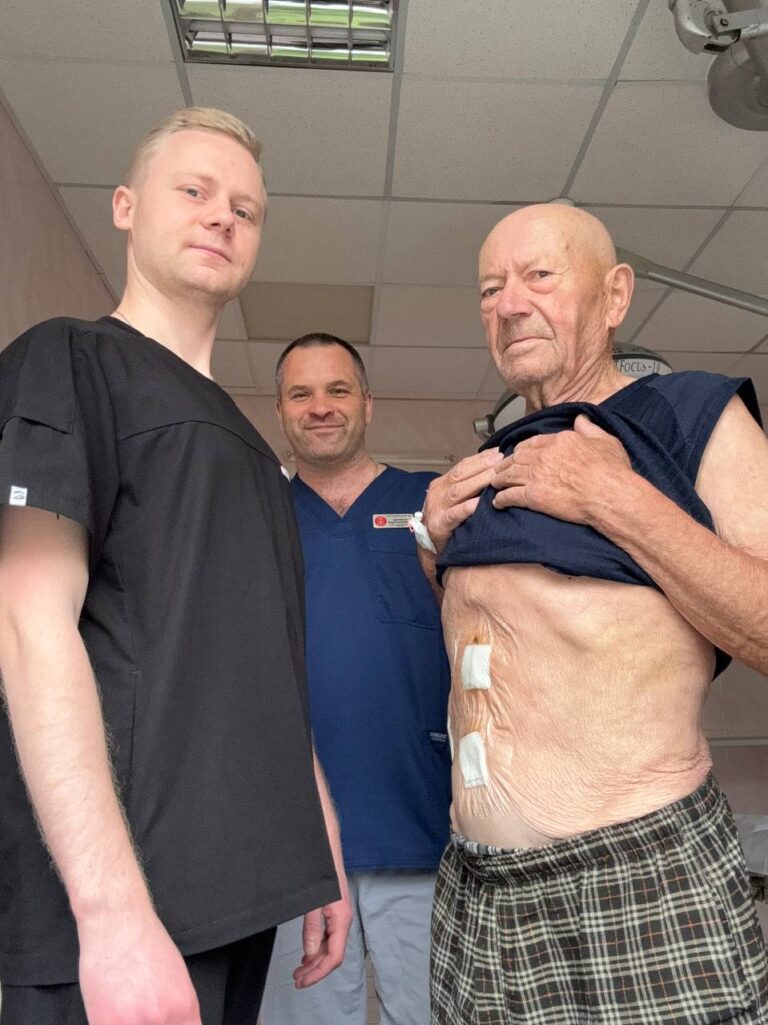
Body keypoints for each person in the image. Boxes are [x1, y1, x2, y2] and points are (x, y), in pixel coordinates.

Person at [0, 108, 351, 1025]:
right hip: (123, 911)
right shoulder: (70, 359)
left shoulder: (253, 449)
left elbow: (260, 666)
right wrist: (111, 913)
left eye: (245, 207)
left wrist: (316, 836)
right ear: (125, 207)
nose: (222, 214)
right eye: (194, 190)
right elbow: (26, 623)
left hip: (239, 892)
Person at [417, 203, 768, 1024]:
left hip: (638, 878)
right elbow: (505, 645)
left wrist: (614, 496)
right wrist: (432, 549)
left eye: (539, 276)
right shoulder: (490, 462)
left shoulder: (691, 415)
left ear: (615, 296)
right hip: (478, 891)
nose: (509, 304)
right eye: (490, 289)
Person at [260, 334, 452, 1025]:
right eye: (301, 393)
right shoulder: (256, 517)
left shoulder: (431, 504)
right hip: (295, 851)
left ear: (367, 403)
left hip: (423, 834)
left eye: (337, 390)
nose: (320, 407)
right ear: (280, 410)